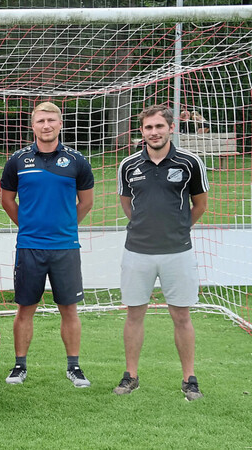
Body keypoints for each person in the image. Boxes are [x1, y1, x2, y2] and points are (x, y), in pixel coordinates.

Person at [114, 105, 209, 401]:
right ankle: (131, 376)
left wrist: (178, 230)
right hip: (137, 251)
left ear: (170, 128)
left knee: (181, 316)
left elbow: (200, 205)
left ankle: (189, 378)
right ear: (141, 131)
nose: (153, 132)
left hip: (177, 252)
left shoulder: (190, 162)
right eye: (148, 127)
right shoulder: (128, 165)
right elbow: (127, 205)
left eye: (159, 126)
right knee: (134, 314)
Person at [0, 102, 94, 388]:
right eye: (41, 120)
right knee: (25, 307)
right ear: (33, 125)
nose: (46, 125)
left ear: (60, 124)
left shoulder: (77, 161)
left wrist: (63, 226)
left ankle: (74, 367)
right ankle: (19, 366)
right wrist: (30, 225)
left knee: (69, 308)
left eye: (52, 120)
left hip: (65, 247)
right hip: (29, 246)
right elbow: (7, 200)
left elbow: (86, 202)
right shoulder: (17, 160)